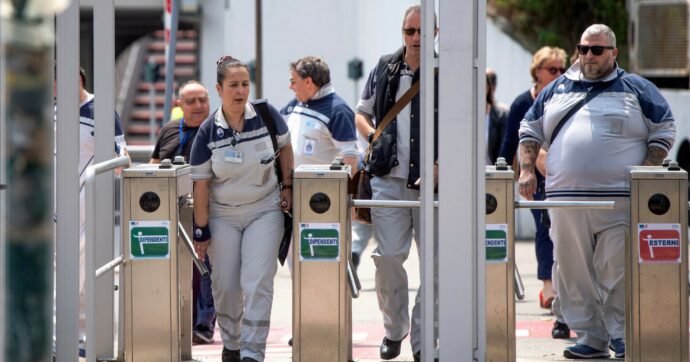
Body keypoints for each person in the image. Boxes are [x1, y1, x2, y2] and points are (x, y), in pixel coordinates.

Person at [518, 24, 675, 359]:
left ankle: (620, 336)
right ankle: (590, 337)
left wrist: (644, 173)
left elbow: (664, 128)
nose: (588, 55)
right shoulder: (556, 88)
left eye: (597, 50)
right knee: (572, 272)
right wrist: (527, 168)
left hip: (618, 201)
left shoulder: (636, 88)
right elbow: (529, 128)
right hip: (565, 202)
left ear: (613, 53)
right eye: (583, 49)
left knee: (615, 270)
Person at [190, 56, 294, 362]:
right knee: (226, 285)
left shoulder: (266, 114)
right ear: (219, 89)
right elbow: (201, 185)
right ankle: (232, 344)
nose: (240, 91)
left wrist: (287, 186)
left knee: (258, 279)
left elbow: (285, 147)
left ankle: (252, 352)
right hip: (222, 214)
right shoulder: (208, 132)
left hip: (265, 209)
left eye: (245, 84)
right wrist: (201, 230)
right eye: (233, 85)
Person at [354, 5, 438, 362]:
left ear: (434, 32)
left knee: (436, 264)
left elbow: (464, 122)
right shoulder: (385, 67)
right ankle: (394, 329)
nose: (416, 38)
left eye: (422, 31)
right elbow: (361, 111)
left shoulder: (448, 69)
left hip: (435, 184)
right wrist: (374, 135)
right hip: (388, 178)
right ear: (402, 32)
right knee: (387, 258)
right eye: (410, 31)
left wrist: (441, 164)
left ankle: (423, 339)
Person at [497, 46, 571, 338]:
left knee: (565, 232)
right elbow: (508, 142)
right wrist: (503, 173)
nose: (557, 74)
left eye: (561, 69)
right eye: (552, 69)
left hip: (562, 173)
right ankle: (548, 287)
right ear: (537, 71)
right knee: (544, 227)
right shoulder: (521, 103)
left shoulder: (565, 96)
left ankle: (564, 286)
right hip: (537, 176)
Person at [60, 67, 128, 357]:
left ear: (77, 80)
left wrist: (111, 164)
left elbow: (122, 156)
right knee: (60, 272)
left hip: (89, 204)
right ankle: (62, 336)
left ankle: (83, 338)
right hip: (54, 205)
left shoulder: (99, 110)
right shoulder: (51, 111)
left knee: (83, 274)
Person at [149, 80, 217, 344]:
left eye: (203, 100)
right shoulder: (168, 130)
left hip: (207, 210)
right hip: (171, 211)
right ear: (180, 104)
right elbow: (154, 164)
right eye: (191, 101)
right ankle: (178, 321)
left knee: (205, 268)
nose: (198, 106)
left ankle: (203, 323)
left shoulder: (218, 129)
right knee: (176, 271)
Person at [280, 55, 364, 263]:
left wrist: (350, 202)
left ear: (308, 82)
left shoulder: (338, 110)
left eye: (293, 81)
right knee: (296, 264)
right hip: (293, 197)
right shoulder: (297, 104)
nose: (290, 87)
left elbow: (350, 160)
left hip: (323, 203)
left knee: (322, 262)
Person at [485, 69, 508, 165]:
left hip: (491, 175)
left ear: (489, 88)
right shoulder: (462, 117)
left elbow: (506, 148)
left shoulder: (501, 114)